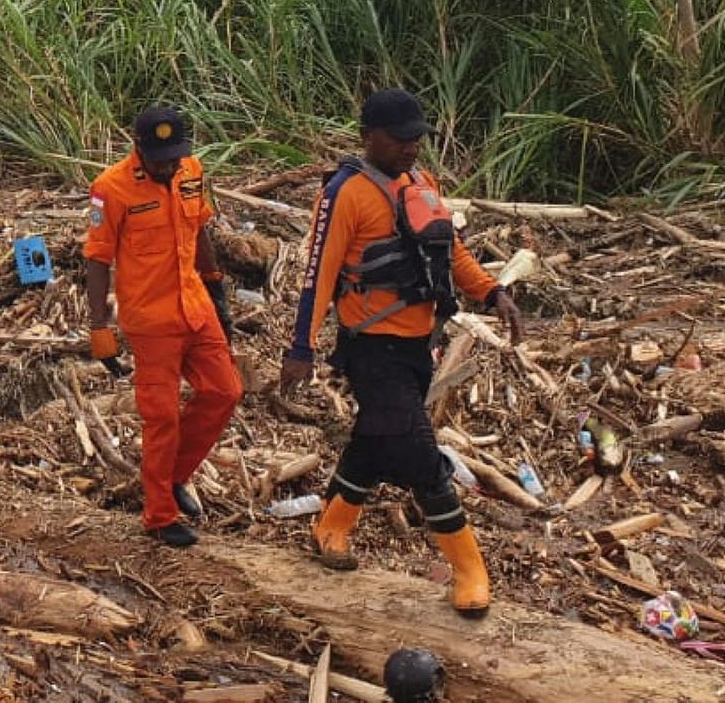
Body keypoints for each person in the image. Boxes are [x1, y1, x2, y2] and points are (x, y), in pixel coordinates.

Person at [281, 89, 523, 617]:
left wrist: (492, 292)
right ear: (369, 137)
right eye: (401, 140)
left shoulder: (422, 185)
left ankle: (332, 526)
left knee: (377, 436)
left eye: (418, 139)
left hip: (419, 344)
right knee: (418, 453)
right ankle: (467, 568)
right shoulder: (344, 194)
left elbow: (451, 252)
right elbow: (317, 274)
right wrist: (301, 346)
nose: (412, 148)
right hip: (371, 348)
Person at [83, 106, 243, 548]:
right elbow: (97, 259)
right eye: (161, 159)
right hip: (150, 320)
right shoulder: (110, 189)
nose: (169, 166)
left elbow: (202, 230)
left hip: (195, 304)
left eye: (175, 157)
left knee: (224, 391)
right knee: (161, 418)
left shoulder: (191, 171)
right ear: (138, 148)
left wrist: (216, 288)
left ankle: (173, 475)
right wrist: (100, 329)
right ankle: (158, 515)